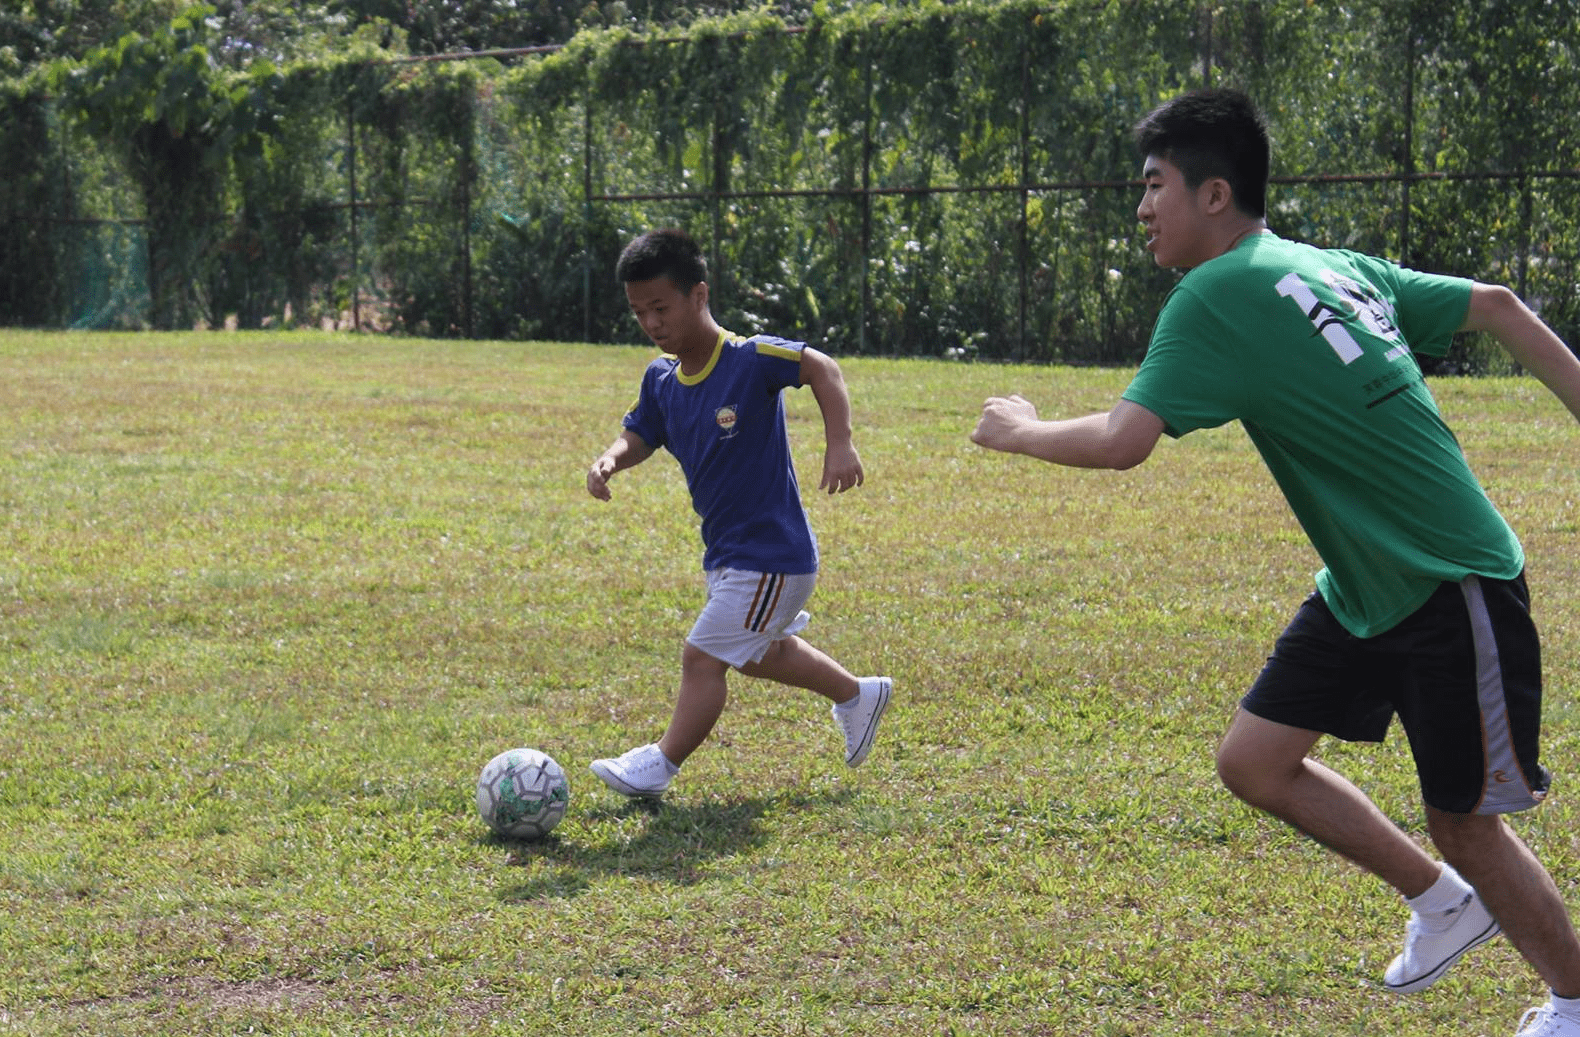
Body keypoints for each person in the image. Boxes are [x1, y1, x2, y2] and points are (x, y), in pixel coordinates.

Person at [971, 88, 1580, 1036]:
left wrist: (1018, 429)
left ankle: (1576, 1002)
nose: (1142, 208)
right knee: (1255, 761)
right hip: (1367, 584)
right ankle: (1441, 902)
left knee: (1466, 822)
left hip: (1449, 578)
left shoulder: (1215, 291)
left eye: (1155, 185)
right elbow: (1497, 306)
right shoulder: (1324, 263)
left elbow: (1124, 440)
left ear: (1214, 194)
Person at [584, 228, 891, 798]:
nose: (651, 323)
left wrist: (840, 442)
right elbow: (641, 433)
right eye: (639, 312)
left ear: (699, 295)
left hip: (772, 553)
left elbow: (822, 368)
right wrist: (612, 459)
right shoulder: (661, 379)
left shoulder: (749, 359)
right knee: (757, 653)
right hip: (727, 552)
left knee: (703, 658)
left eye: (661, 308)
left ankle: (659, 765)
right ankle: (857, 694)